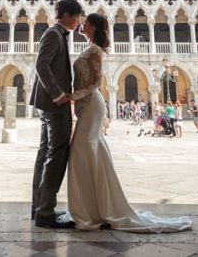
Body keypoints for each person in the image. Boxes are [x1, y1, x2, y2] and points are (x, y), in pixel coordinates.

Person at [67, 12, 191, 232]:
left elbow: (96, 82)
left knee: (82, 151)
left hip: (91, 105)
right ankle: (93, 207)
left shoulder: (95, 50)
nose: (82, 24)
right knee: (91, 153)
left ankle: (92, 210)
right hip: (85, 105)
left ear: (93, 28)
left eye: (85, 23)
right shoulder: (87, 48)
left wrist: (72, 97)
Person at [30, 0, 79, 229]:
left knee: (45, 153)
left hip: (49, 105)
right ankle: (45, 211)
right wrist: (59, 95)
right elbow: (42, 65)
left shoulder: (58, 34)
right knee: (56, 155)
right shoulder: (53, 34)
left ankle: (40, 208)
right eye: (77, 17)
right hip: (54, 105)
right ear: (68, 15)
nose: (78, 22)